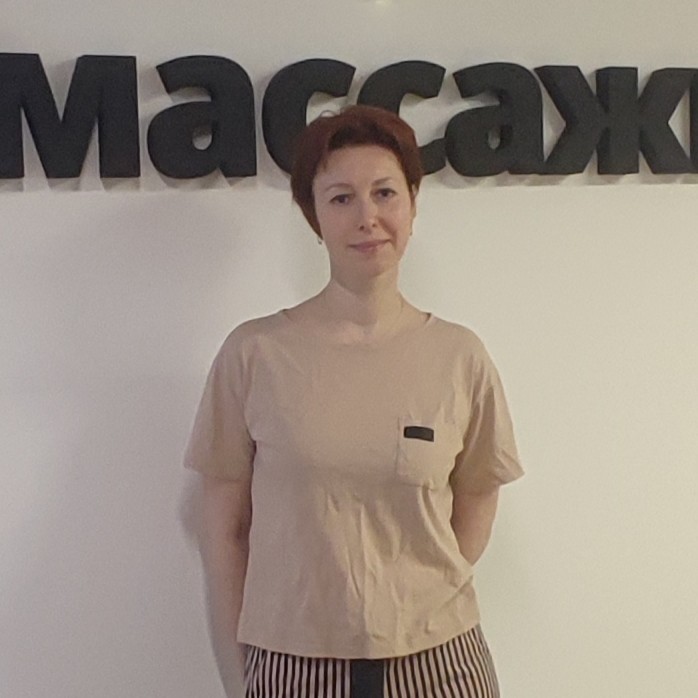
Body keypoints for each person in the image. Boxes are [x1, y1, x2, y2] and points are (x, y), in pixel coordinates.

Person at [184, 105, 524, 698]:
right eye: (341, 198)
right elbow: (223, 531)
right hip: (293, 661)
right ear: (313, 216)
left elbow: (477, 494)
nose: (367, 217)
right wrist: (242, 674)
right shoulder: (254, 353)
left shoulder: (459, 355)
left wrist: (414, 602)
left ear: (412, 203)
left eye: (384, 193)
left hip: (441, 661)